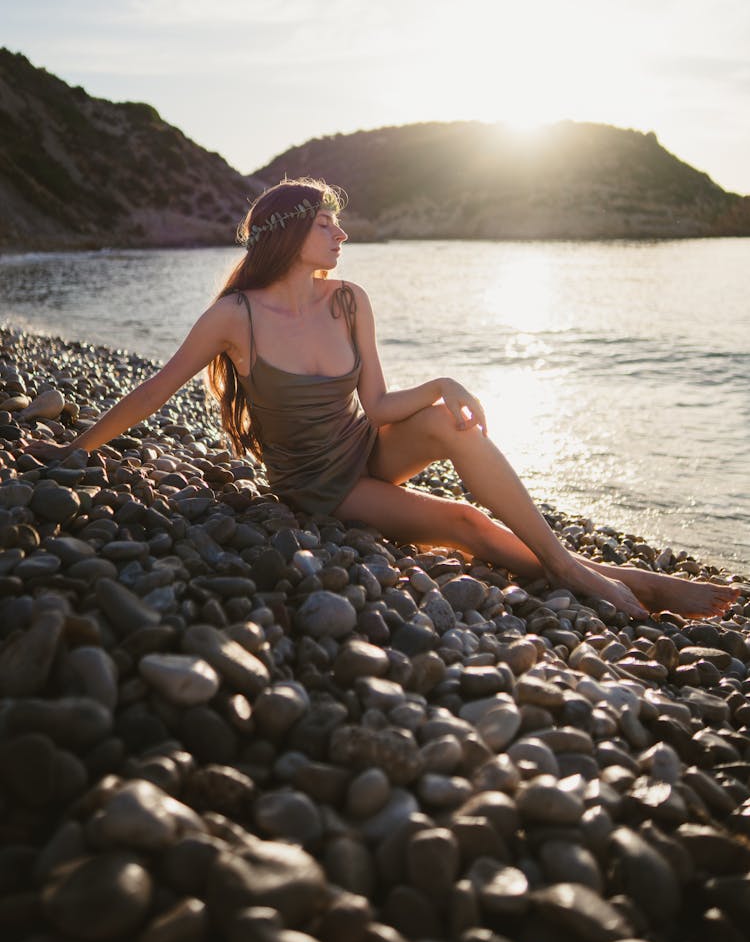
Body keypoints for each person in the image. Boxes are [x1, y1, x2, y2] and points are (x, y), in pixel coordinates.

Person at [26, 177, 738, 621]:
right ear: (289, 234)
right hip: (318, 482)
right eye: (327, 222)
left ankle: (571, 562)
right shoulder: (234, 317)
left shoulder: (349, 301)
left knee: (447, 422)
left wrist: (440, 386)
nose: (342, 232)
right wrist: (75, 448)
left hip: (364, 446)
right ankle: (596, 571)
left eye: (338, 221)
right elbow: (158, 386)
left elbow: (376, 403)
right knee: (464, 522)